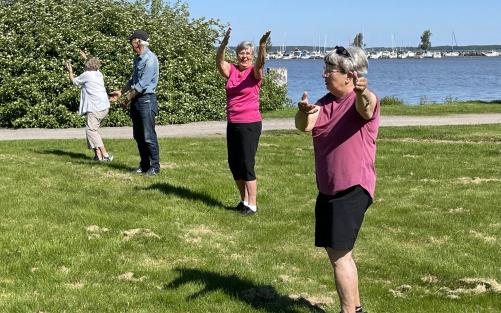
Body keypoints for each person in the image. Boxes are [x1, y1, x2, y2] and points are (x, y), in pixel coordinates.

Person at [295, 46, 379, 313]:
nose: (324, 74)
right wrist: (302, 111)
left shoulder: (361, 100)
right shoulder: (323, 103)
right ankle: (355, 308)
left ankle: (347, 311)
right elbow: (303, 126)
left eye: (329, 70)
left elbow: (367, 108)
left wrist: (363, 91)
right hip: (328, 190)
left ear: (349, 75)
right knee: (341, 255)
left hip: (352, 188)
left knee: (339, 256)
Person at [216, 27, 270, 216]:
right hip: (233, 122)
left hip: (250, 123)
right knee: (234, 163)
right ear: (237, 54)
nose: (244, 56)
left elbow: (260, 62)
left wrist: (262, 45)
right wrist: (223, 43)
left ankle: (252, 205)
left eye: (248, 53)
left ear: (252, 55)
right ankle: (243, 200)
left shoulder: (254, 73)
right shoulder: (231, 70)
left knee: (247, 163)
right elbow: (219, 61)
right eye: (241, 52)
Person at [109, 30, 160, 176]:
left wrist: (126, 99)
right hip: (137, 100)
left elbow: (142, 85)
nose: (131, 45)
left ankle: (155, 167)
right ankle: (144, 165)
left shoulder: (150, 59)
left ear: (139, 42)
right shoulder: (137, 59)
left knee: (148, 136)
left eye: (133, 42)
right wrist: (121, 92)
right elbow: (133, 81)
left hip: (146, 100)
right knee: (138, 135)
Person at [66, 51, 113, 162]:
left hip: (95, 108)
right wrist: (86, 58)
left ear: (86, 66)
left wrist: (70, 71)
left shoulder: (86, 75)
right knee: (92, 130)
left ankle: (105, 155)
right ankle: (98, 156)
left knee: (91, 131)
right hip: (104, 107)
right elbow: (92, 65)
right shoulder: (98, 73)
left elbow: (74, 81)